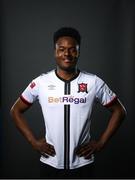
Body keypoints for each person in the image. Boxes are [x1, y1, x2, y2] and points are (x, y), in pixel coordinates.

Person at [10, 27, 126, 178]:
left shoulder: (93, 82)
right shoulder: (41, 82)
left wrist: (101, 143)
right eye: (61, 49)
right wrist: (33, 141)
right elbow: (15, 110)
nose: (67, 54)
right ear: (55, 51)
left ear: (78, 51)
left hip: (83, 164)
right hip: (50, 163)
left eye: (72, 49)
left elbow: (120, 111)